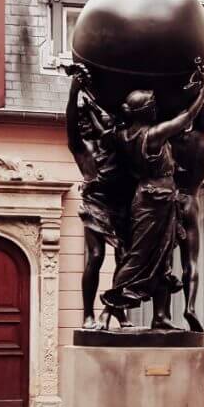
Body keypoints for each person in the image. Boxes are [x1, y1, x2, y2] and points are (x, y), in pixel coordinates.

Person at [101, 60, 204, 330]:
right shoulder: (152, 134)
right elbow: (187, 117)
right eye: (152, 105)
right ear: (145, 111)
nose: (156, 107)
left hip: (154, 199)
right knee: (138, 257)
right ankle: (107, 310)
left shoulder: (122, 134)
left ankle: (161, 317)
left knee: (161, 258)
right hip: (155, 200)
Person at [64, 64, 134, 330]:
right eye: (80, 121)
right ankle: (88, 314)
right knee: (95, 256)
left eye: (85, 119)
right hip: (95, 205)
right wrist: (74, 91)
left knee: (124, 258)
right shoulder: (81, 149)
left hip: (120, 204)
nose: (83, 124)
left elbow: (118, 119)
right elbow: (71, 119)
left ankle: (118, 309)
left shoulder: (112, 141)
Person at [170, 101, 204, 332]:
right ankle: (190, 307)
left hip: (171, 201)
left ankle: (165, 313)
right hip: (191, 201)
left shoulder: (178, 140)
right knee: (190, 261)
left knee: (165, 261)